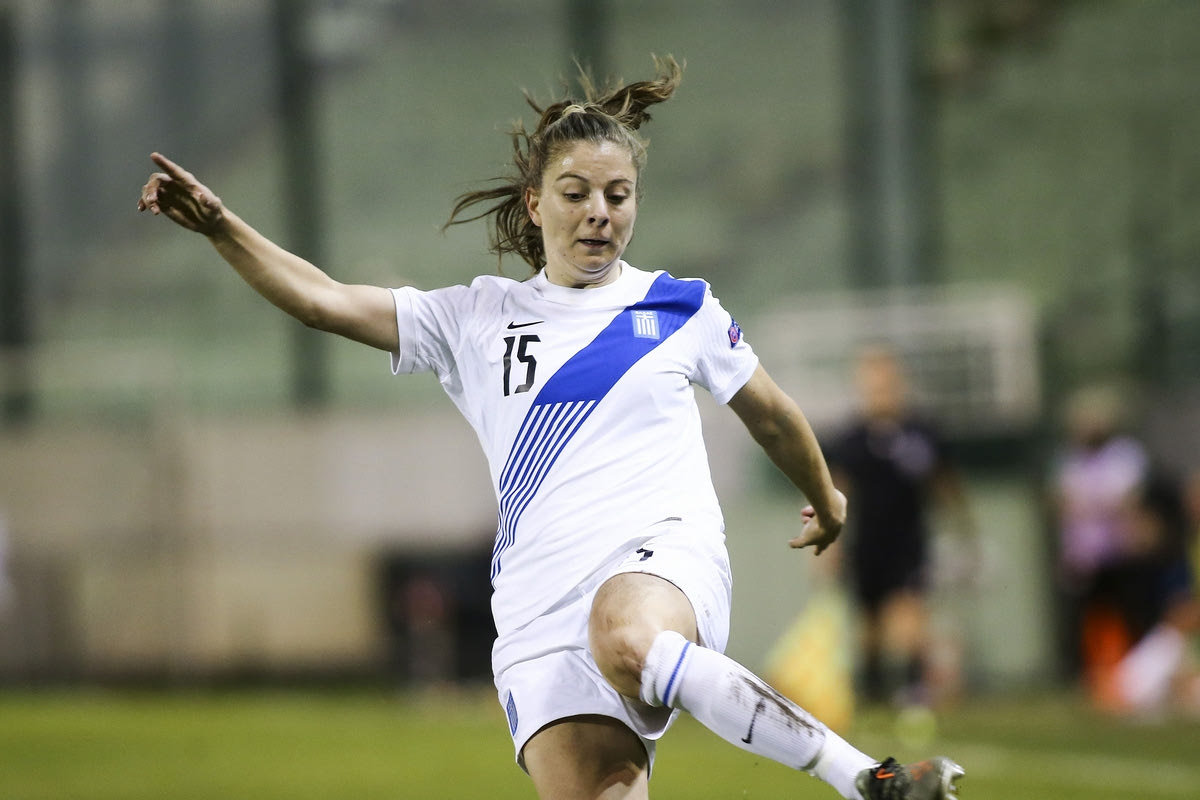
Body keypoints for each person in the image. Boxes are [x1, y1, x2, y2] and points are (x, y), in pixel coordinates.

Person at [139, 56, 962, 800]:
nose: (599, 213)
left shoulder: (679, 308)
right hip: (537, 613)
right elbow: (323, 301)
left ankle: (867, 780)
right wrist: (220, 226)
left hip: (660, 559)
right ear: (535, 204)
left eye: (618, 195)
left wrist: (827, 498)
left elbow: (772, 414)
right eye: (576, 194)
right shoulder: (476, 318)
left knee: (627, 635)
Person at [828, 345, 975, 708]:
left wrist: (965, 532)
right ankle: (872, 691)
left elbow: (945, 484)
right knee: (869, 623)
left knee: (909, 614)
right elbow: (836, 491)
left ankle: (913, 688)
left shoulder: (922, 432)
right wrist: (830, 545)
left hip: (909, 541)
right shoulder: (851, 439)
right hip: (867, 542)